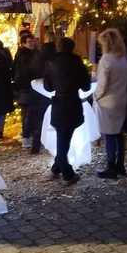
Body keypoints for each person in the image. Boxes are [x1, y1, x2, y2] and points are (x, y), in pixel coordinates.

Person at [43, 38, 91, 184]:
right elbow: (86, 86)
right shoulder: (77, 62)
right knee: (65, 138)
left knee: (63, 137)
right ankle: (67, 173)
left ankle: (56, 168)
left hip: (59, 104)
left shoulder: (50, 62)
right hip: (73, 103)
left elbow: (48, 87)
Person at [94, 29, 127, 179]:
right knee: (119, 134)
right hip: (121, 98)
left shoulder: (106, 59)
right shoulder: (124, 58)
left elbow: (102, 84)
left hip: (108, 102)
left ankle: (111, 167)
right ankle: (120, 165)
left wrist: (96, 96)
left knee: (109, 135)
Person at [13, 32, 45, 153]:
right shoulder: (23, 55)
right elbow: (22, 72)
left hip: (31, 87)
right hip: (26, 87)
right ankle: (26, 136)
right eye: (29, 42)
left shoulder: (33, 53)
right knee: (27, 113)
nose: (32, 44)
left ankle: (28, 136)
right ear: (23, 43)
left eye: (33, 41)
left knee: (29, 113)